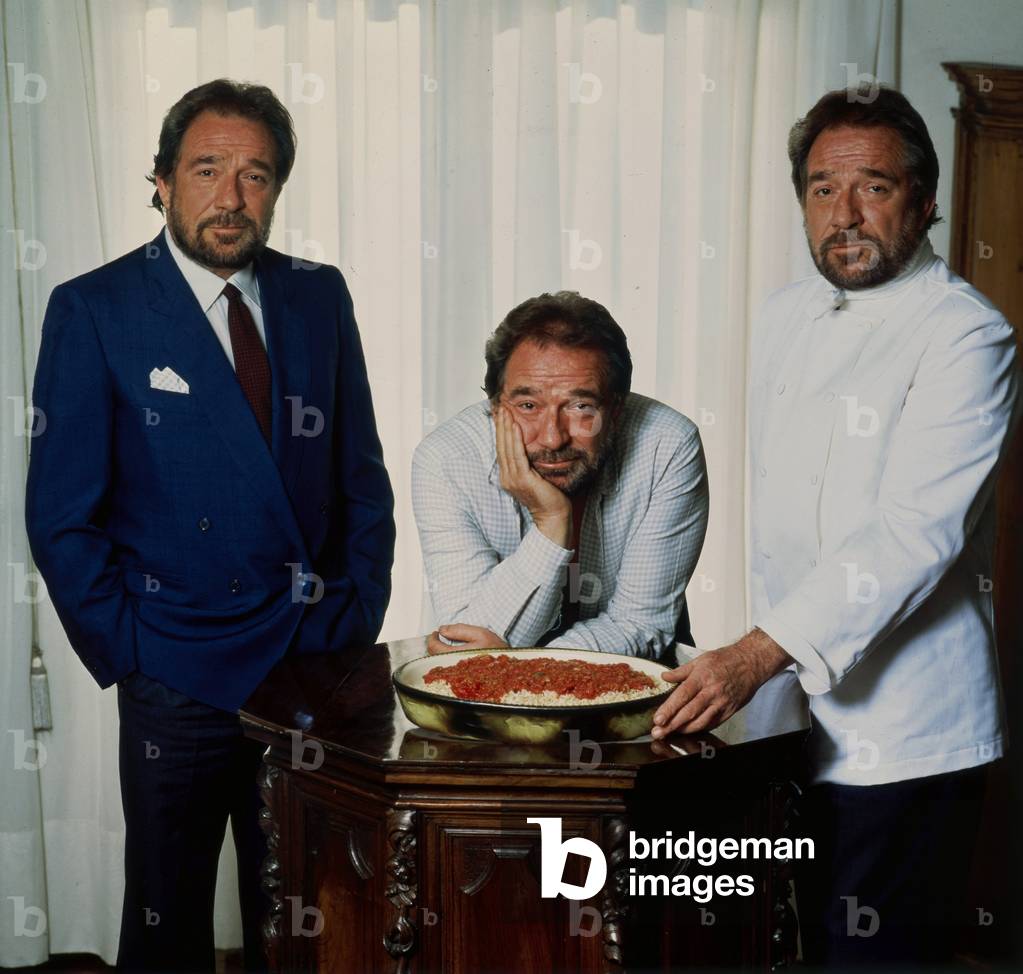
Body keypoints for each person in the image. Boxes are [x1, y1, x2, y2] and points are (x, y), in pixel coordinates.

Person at [24, 79, 395, 972]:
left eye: (256, 175)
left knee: (308, 905)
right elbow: (60, 515)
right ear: (159, 180)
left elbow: (361, 480)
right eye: (205, 169)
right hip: (175, 670)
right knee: (166, 914)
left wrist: (348, 621)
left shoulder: (317, 296)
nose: (231, 197)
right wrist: (134, 650)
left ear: (277, 189)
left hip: (307, 663)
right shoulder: (96, 308)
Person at [651, 85, 1019, 966]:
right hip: (789, 713)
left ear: (924, 202)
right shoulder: (783, 314)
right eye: (821, 190)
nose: (843, 215)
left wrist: (752, 654)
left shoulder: (968, 335)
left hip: (907, 732)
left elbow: (910, 533)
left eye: (874, 188)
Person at [412, 290, 708, 660]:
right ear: (494, 407)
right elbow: (467, 645)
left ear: (616, 409)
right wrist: (552, 522)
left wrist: (525, 666)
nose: (553, 438)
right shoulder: (446, 459)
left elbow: (640, 626)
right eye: (528, 406)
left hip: (633, 694)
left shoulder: (667, 445)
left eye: (581, 406)